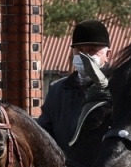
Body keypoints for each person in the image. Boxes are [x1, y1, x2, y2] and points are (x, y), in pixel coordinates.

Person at [37, 20, 111, 157]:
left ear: (107, 55)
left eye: (91, 51)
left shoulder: (117, 88)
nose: (83, 56)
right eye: (79, 50)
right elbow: (43, 135)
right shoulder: (57, 90)